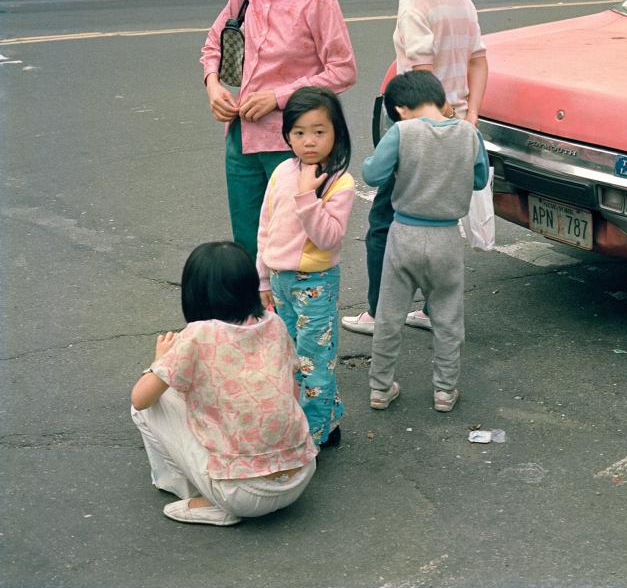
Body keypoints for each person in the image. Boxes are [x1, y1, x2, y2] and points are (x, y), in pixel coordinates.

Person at [341, 0, 487, 337]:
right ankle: (429, 308)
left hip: (415, 125)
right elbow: (478, 61)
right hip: (458, 124)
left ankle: (376, 311)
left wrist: (420, 120)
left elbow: (420, 71)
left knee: (386, 220)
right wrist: (469, 116)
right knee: (440, 218)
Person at [200, 0, 356, 262]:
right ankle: (255, 313)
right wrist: (213, 84)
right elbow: (213, 45)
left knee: (291, 240)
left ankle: (292, 314)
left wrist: (278, 96)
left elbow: (343, 70)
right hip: (241, 135)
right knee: (247, 236)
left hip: (292, 139)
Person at [130, 242, 317, 527]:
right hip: (300, 475)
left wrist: (160, 360)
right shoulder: (274, 324)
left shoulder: (198, 334)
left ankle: (200, 496)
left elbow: (140, 398)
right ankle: (215, 488)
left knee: (151, 403)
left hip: (241, 495)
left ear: (194, 293)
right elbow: (290, 393)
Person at [362, 71, 489, 413]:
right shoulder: (468, 134)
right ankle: (445, 392)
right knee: (447, 318)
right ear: (437, 97)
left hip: (403, 234)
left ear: (400, 109)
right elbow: (479, 180)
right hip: (446, 237)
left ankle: (380, 388)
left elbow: (372, 174)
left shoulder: (402, 132)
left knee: (389, 317)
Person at [257, 87, 354, 449]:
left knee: (315, 361)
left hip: (315, 282)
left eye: (319, 131)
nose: (309, 141)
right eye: (299, 132)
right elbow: (265, 225)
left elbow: (329, 237)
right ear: (287, 136)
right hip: (280, 282)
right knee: (292, 358)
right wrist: (262, 276)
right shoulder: (283, 171)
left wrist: (307, 197)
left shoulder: (339, 182)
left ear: (336, 133)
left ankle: (311, 437)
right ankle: (328, 420)